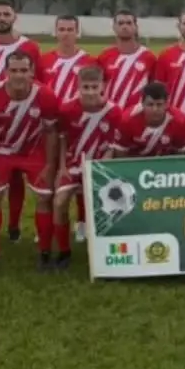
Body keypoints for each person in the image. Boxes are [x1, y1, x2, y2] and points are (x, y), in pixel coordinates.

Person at [0, 51, 60, 270]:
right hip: (2, 151)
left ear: (32, 72)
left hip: (33, 152)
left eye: (24, 70)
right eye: (14, 70)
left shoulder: (46, 95)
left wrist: (50, 165)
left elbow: (51, 131)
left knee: (45, 198)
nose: (19, 75)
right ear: (6, 72)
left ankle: (44, 253)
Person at [0, 0, 44, 242]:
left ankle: (13, 224)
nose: (2, 18)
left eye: (6, 14)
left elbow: (37, 80)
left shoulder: (30, 47)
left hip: (20, 117)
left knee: (16, 175)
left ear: (15, 17)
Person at [53, 67, 122, 268]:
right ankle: (64, 252)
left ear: (103, 86)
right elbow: (62, 138)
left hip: (100, 167)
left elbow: (113, 146)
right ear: (78, 87)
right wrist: (61, 167)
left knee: (109, 206)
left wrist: (103, 169)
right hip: (73, 165)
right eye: (86, 87)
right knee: (59, 202)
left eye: (94, 87)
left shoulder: (114, 111)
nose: (90, 92)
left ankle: (105, 250)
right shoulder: (67, 109)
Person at [40, 15, 96, 243]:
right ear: (55, 32)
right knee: (51, 171)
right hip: (50, 125)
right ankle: (49, 223)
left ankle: (82, 222)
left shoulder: (89, 60)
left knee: (81, 171)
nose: (65, 33)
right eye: (61, 29)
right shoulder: (45, 60)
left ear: (77, 32)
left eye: (70, 29)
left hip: (78, 124)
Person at [97, 9, 158, 112]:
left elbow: (154, 89)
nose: (125, 26)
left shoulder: (149, 57)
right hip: (109, 113)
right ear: (114, 27)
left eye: (129, 23)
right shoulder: (105, 56)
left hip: (137, 114)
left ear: (136, 27)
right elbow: (98, 88)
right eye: (120, 23)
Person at [112, 82, 185, 157]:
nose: (155, 109)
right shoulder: (127, 120)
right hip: (133, 161)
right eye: (150, 104)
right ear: (142, 104)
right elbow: (120, 153)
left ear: (166, 104)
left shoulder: (180, 121)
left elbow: (183, 155)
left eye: (159, 104)